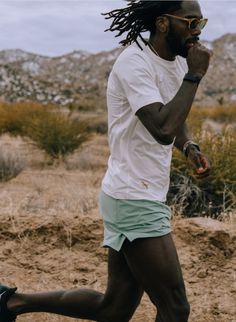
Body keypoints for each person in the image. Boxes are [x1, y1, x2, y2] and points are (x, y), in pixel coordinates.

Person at [0, 1, 212, 321]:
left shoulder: (178, 64)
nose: (196, 31)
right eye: (191, 22)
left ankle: (11, 304)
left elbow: (175, 118)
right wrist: (195, 76)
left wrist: (190, 146)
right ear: (163, 23)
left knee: (114, 308)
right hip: (133, 197)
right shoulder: (134, 62)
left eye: (202, 23)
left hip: (135, 191)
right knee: (175, 306)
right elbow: (161, 127)